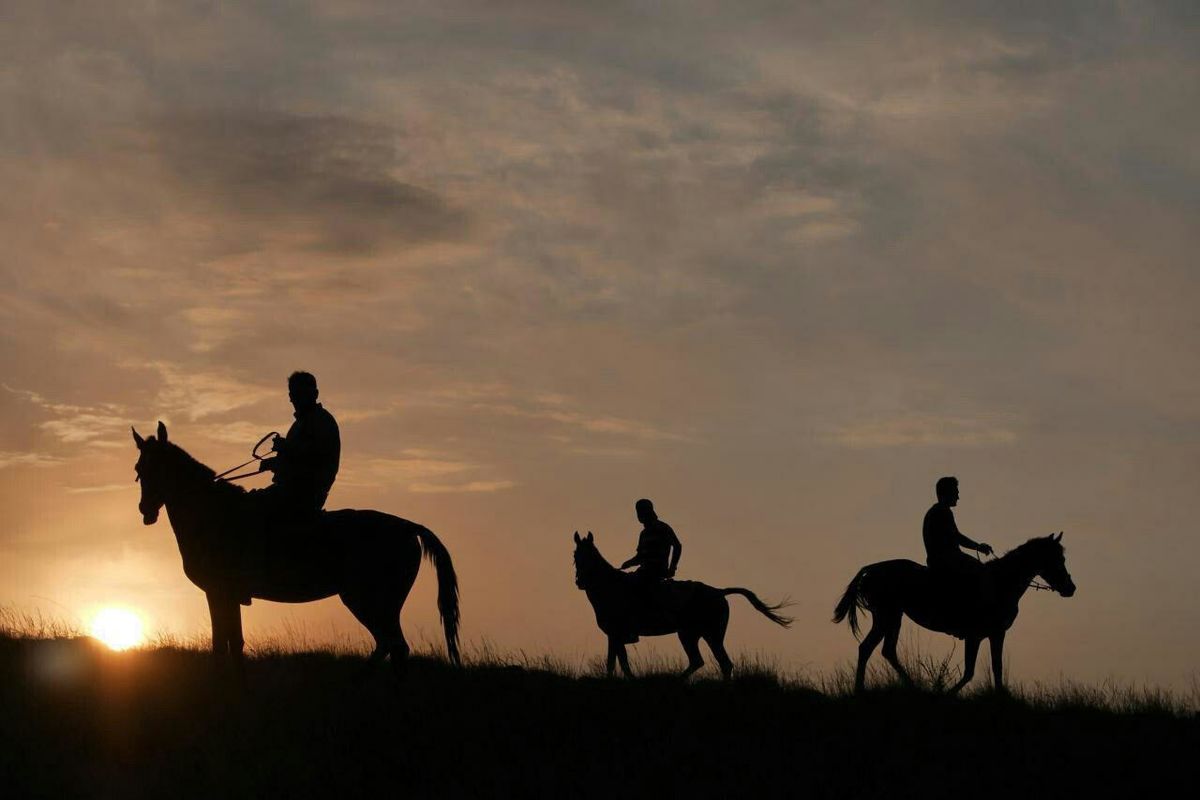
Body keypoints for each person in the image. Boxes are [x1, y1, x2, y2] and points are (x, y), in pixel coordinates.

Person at [258, 370, 341, 518]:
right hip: (288, 490)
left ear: (315, 394)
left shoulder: (322, 421)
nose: (295, 399)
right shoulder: (299, 425)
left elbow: (317, 457)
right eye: (293, 394)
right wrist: (274, 462)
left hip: (303, 495)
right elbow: (296, 460)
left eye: (300, 394)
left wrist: (286, 448)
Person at [923, 476, 992, 576]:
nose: (958, 497)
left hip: (936, 561)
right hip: (948, 562)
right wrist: (978, 546)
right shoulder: (943, 512)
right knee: (981, 572)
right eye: (955, 493)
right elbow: (957, 537)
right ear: (947, 493)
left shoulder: (933, 512)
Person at [620, 498, 682, 581]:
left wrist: (672, 568)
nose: (639, 515)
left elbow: (677, 546)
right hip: (643, 572)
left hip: (656, 572)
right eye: (638, 512)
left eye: (641, 511)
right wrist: (629, 563)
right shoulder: (643, 534)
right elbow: (640, 557)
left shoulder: (663, 528)